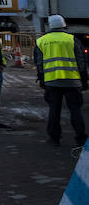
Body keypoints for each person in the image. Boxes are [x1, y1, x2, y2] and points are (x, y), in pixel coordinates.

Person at [34, 14, 88, 147]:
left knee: (54, 110)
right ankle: (80, 139)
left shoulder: (41, 41)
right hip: (72, 81)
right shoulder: (72, 40)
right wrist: (84, 79)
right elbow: (81, 62)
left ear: (50, 26)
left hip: (52, 82)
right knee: (75, 110)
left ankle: (54, 139)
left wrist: (42, 79)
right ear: (64, 25)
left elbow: (39, 64)